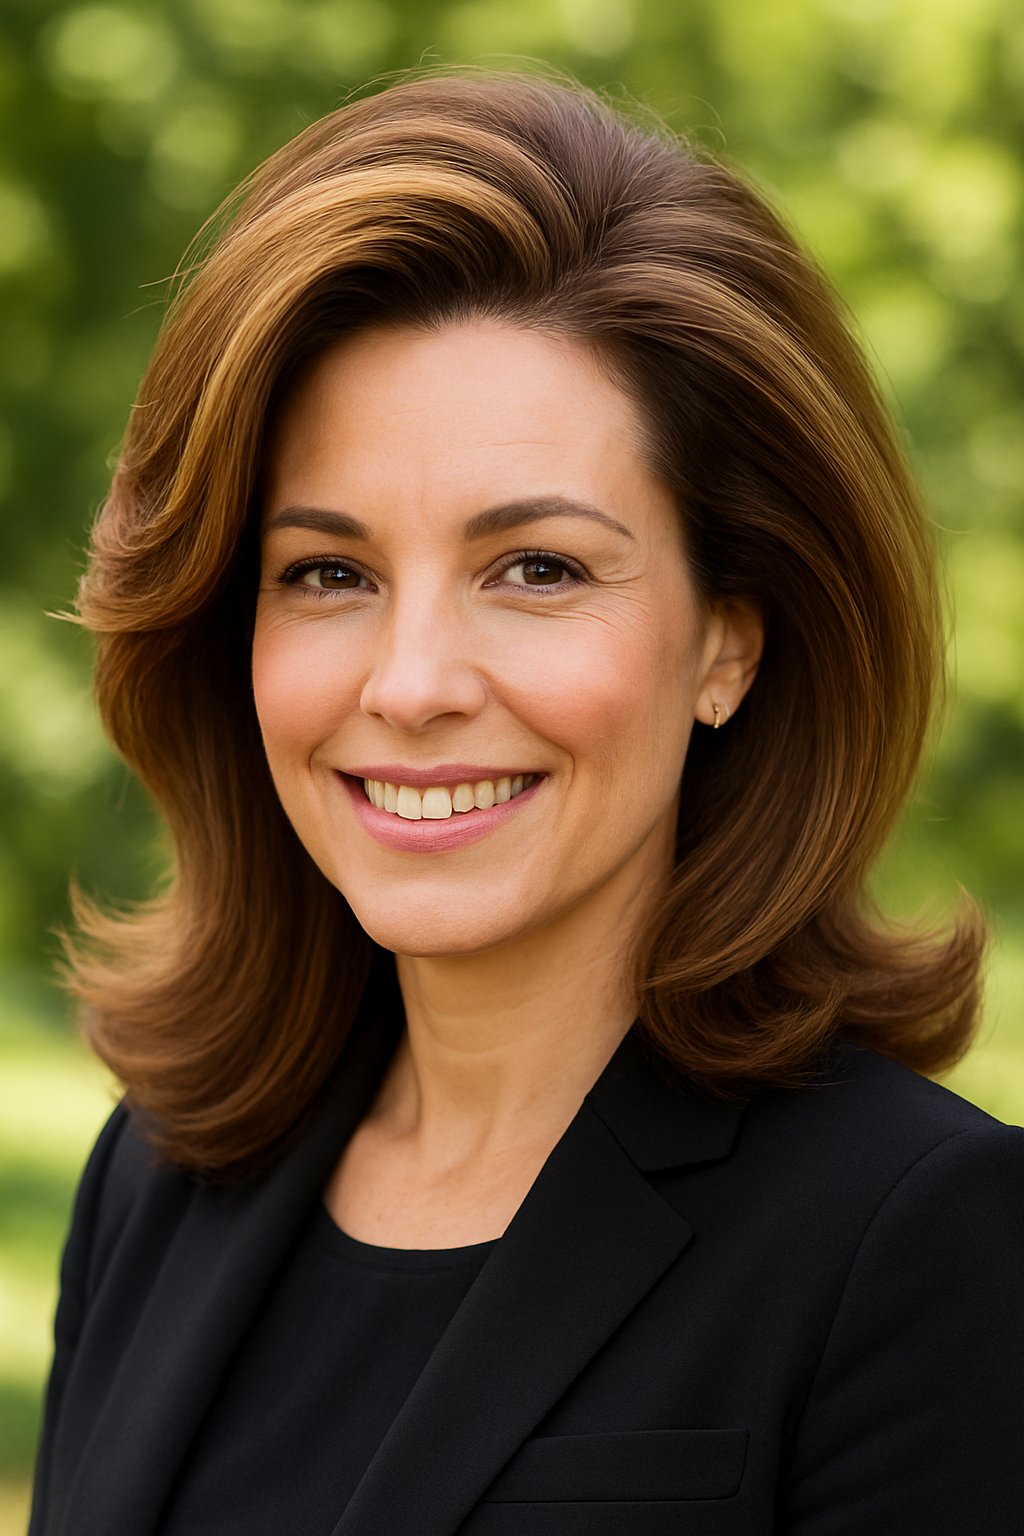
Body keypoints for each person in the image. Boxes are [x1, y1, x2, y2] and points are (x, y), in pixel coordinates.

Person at [29, 67, 1024, 1536]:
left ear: (728, 642)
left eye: (537, 568)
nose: (413, 679)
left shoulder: (923, 1242)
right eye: (328, 573)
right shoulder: (160, 1177)